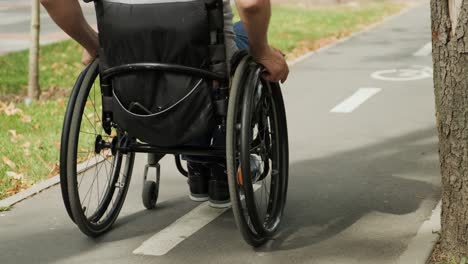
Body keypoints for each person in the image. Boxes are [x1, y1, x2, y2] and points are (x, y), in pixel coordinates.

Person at [41, 0, 289, 208]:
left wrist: (95, 44)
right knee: (245, 40)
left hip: (129, 77)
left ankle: (199, 164)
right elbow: (252, 4)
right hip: (206, 76)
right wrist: (262, 51)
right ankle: (218, 165)